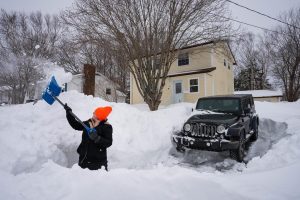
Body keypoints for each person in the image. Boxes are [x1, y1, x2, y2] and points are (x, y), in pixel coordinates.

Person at [64, 104, 113, 171]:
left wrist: (97, 138)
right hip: (84, 158)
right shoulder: (88, 123)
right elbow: (76, 125)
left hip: (98, 162)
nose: (93, 115)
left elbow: (108, 142)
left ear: (99, 117)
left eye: (95, 114)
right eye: (94, 113)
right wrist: (69, 114)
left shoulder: (106, 127)